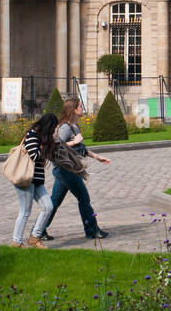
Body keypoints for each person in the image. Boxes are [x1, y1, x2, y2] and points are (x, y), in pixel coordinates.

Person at [40, 97, 111, 241]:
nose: (82, 109)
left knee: (55, 202)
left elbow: (81, 149)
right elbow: (55, 146)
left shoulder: (74, 126)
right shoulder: (65, 127)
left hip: (66, 170)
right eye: (80, 106)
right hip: (65, 170)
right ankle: (91, 230)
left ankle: (39, 230)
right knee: (84, 198)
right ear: (73, 109)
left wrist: (97, 157)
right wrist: (73, 141)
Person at [13, 113, 59, 248]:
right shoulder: (32, 134)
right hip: (25, 178)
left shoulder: (41, 137)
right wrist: (45, 147)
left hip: (37, 179)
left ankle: (35, 237)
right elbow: (34, 155)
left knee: (48, 207)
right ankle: (16, 241)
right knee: (25, 211)